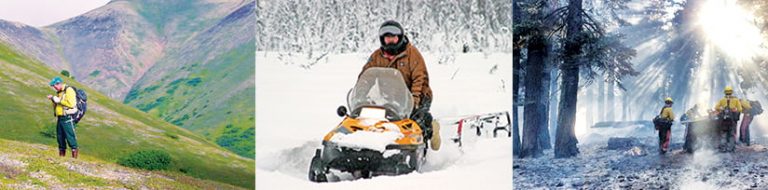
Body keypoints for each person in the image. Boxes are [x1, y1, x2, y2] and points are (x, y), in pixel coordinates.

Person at [359, 20, 440, 150]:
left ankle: (431, 128)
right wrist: (360, 96)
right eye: (387, 38)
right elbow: (366, 77)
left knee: (415, 122)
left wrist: (414, 101)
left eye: (393, 37)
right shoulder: (377, 56)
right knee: (380, 122)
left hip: (418, 95)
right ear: (382, 39)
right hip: (391, 98)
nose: (390, 41)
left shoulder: (412, 53)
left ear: (400, 38)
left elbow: (420, 78)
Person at [47, 77, 79, 158]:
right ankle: (62, 158)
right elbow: (58, 104)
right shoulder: (59, 92)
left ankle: (74, 158)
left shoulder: (69, 90)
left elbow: (71, 104)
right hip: (60, 118)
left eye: (55, 86)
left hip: (67, 117)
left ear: (59, 83)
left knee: (70, 137)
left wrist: (58, 100)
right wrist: (53, 99)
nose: (54, 88)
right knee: (60, 138)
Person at [714, 86, 742, 152]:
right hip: (732, 120)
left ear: (725, 93)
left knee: (724, 133)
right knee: (732, 133)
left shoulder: (722, 100)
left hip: (724, 120)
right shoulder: (736, 100)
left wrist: (722, 109)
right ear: (731, 92)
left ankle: (724, 147)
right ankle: (731, 148)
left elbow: (716, 107)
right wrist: (734, 110)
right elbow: (740, 109)